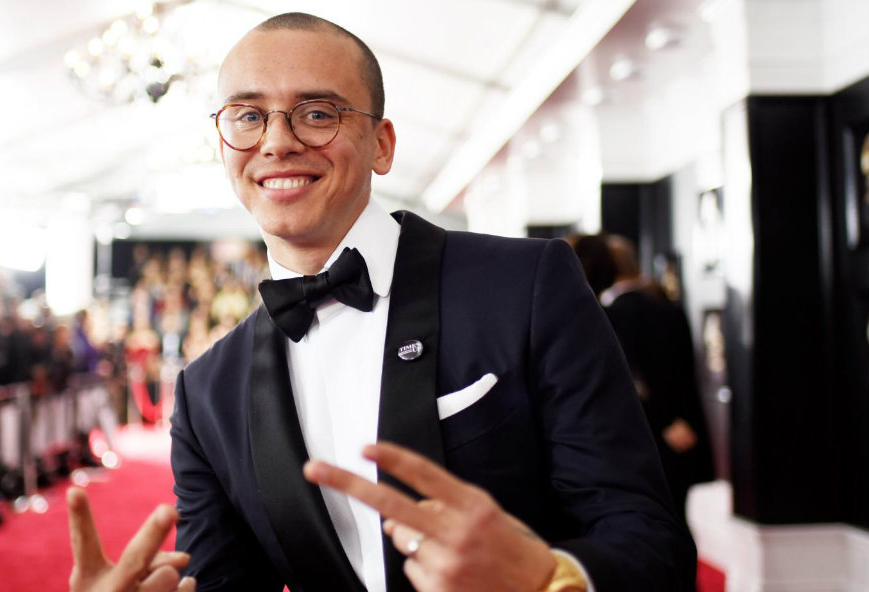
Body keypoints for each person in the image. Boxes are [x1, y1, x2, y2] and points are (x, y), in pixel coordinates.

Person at [68, 12, 694, 592]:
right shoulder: (208, 390)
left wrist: (549, 578)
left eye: (317, 113)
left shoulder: (524, 284)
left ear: (382, 144)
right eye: (248, 116)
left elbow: (650, 541)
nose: (277, 141)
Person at [599, 235, 715, 527]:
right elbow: (686, 372)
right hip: (682, 426)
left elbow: (632, 379)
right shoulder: (667, 307)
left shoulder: (614, 314)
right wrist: (681, 419)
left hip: (647, 428)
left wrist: (664, 421)